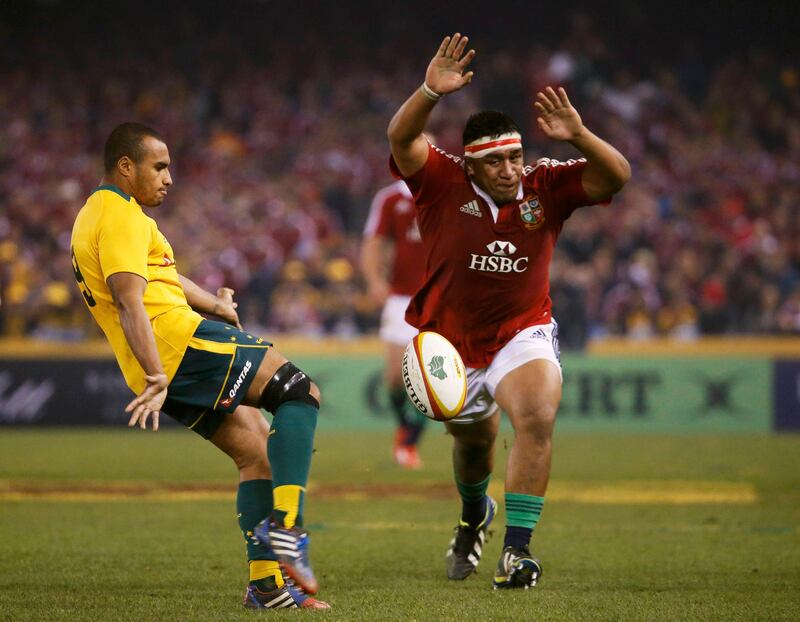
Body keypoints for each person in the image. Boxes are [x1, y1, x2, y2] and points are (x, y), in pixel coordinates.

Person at [387, 34, 630, 589]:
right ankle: (475, 516)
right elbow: (401, 138)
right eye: (495, 161)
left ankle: (517, 553)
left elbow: (616, 175)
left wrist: (580, 136)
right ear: (471, 166)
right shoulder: (441, 181)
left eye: (515, 157)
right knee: (473, 449)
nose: (509, 169)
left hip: (523, 330)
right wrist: (429, 90)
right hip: (451, 341)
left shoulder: (546, 184)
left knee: (538, 417)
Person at [70, 123, 330, 610]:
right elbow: (130, 300)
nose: (170, 178)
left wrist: (215, 304)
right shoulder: (120, 216)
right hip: (175, 343)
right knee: (300, 392)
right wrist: (156, 373)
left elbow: (159, 276)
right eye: (160, 167)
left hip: (166, 351)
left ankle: (266, 586)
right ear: (125, 167)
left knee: (255, 450)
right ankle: (288, 525)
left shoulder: (101, 213)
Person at [361, 178, 428, 468]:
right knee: (394, 378)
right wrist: (375, 281)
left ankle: (411, 439)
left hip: (442, 298)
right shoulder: (391, 198)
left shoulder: (450, 191)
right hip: (401, 298)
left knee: (433, 380)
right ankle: (405, 424)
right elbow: (373, 242)